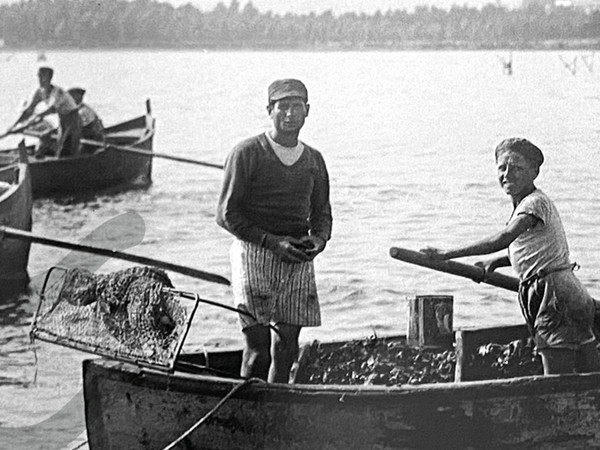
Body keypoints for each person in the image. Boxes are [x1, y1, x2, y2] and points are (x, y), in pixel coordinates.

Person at [421, 138, 600, 375]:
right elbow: (535, 250)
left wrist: (447, 254)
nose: (507, 174)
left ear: (534, 172)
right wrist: (495, 262)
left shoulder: (534, 203)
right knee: (589, 371)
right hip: (566, 293)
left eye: (517, 168)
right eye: (502, 168)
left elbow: (504, 237)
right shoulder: (526, 205)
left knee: (557, 378)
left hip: (555, 296)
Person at [216, 79, 332, 383]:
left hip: (297, 258)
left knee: (287, 348)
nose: (290, 114)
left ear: (307, 111)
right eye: (283, 107)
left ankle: (278, 407)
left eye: (297, 107)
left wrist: (318, 240)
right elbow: (226, 215)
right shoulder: (247, 152)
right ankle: (247, 408)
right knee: (259, 351)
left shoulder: (314, 160)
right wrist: (271, 242)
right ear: (270, 110)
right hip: (254, 253)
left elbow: (322, 214)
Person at [8, 66, 81, 158]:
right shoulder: (39, 92)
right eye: (39, 76)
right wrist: (14, 126)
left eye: (43, 76)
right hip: (62, 119)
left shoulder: (57, 92)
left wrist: (28, 124)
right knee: (60, 146)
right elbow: (29, 110)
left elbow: (50, 110)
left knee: (68, 148)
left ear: (50, 77)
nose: (40, 79)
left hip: (73, 120)